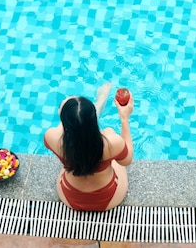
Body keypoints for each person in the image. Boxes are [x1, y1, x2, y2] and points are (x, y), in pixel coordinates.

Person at [44, 83, 134, 212]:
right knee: (119, 159)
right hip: (108, 199)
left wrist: (67, 112)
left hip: (69, 197)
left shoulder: (51, 137)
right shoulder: (111, 143)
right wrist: (124, 118)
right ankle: (100, 103)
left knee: (72, 152)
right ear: (94, 119)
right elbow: (127, 160)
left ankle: (98, 103)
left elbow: (72, 126)